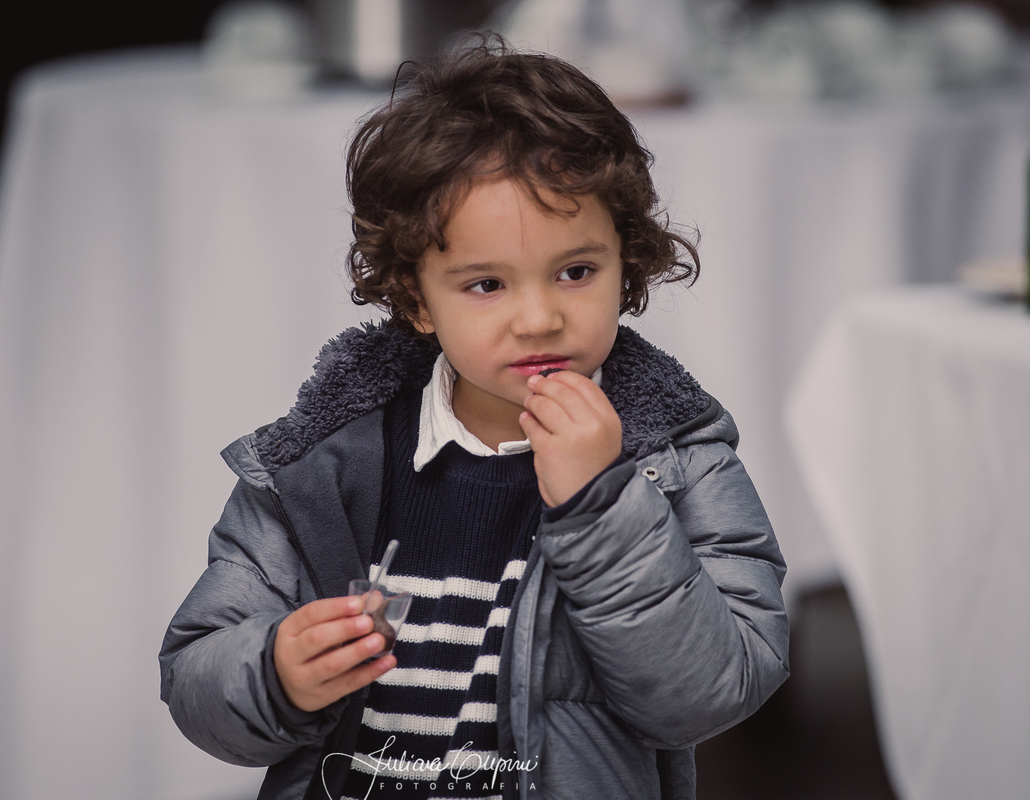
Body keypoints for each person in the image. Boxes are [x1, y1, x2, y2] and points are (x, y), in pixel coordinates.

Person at [159, 35, 788, 800]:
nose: (539, 318)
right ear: (416, 299)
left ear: (626, 262)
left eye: (576, 271)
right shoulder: (323, 462)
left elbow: (715, 691)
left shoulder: (675, 459)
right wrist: (274, 675)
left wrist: (603, 508)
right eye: (487, 284)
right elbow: (194, 670)